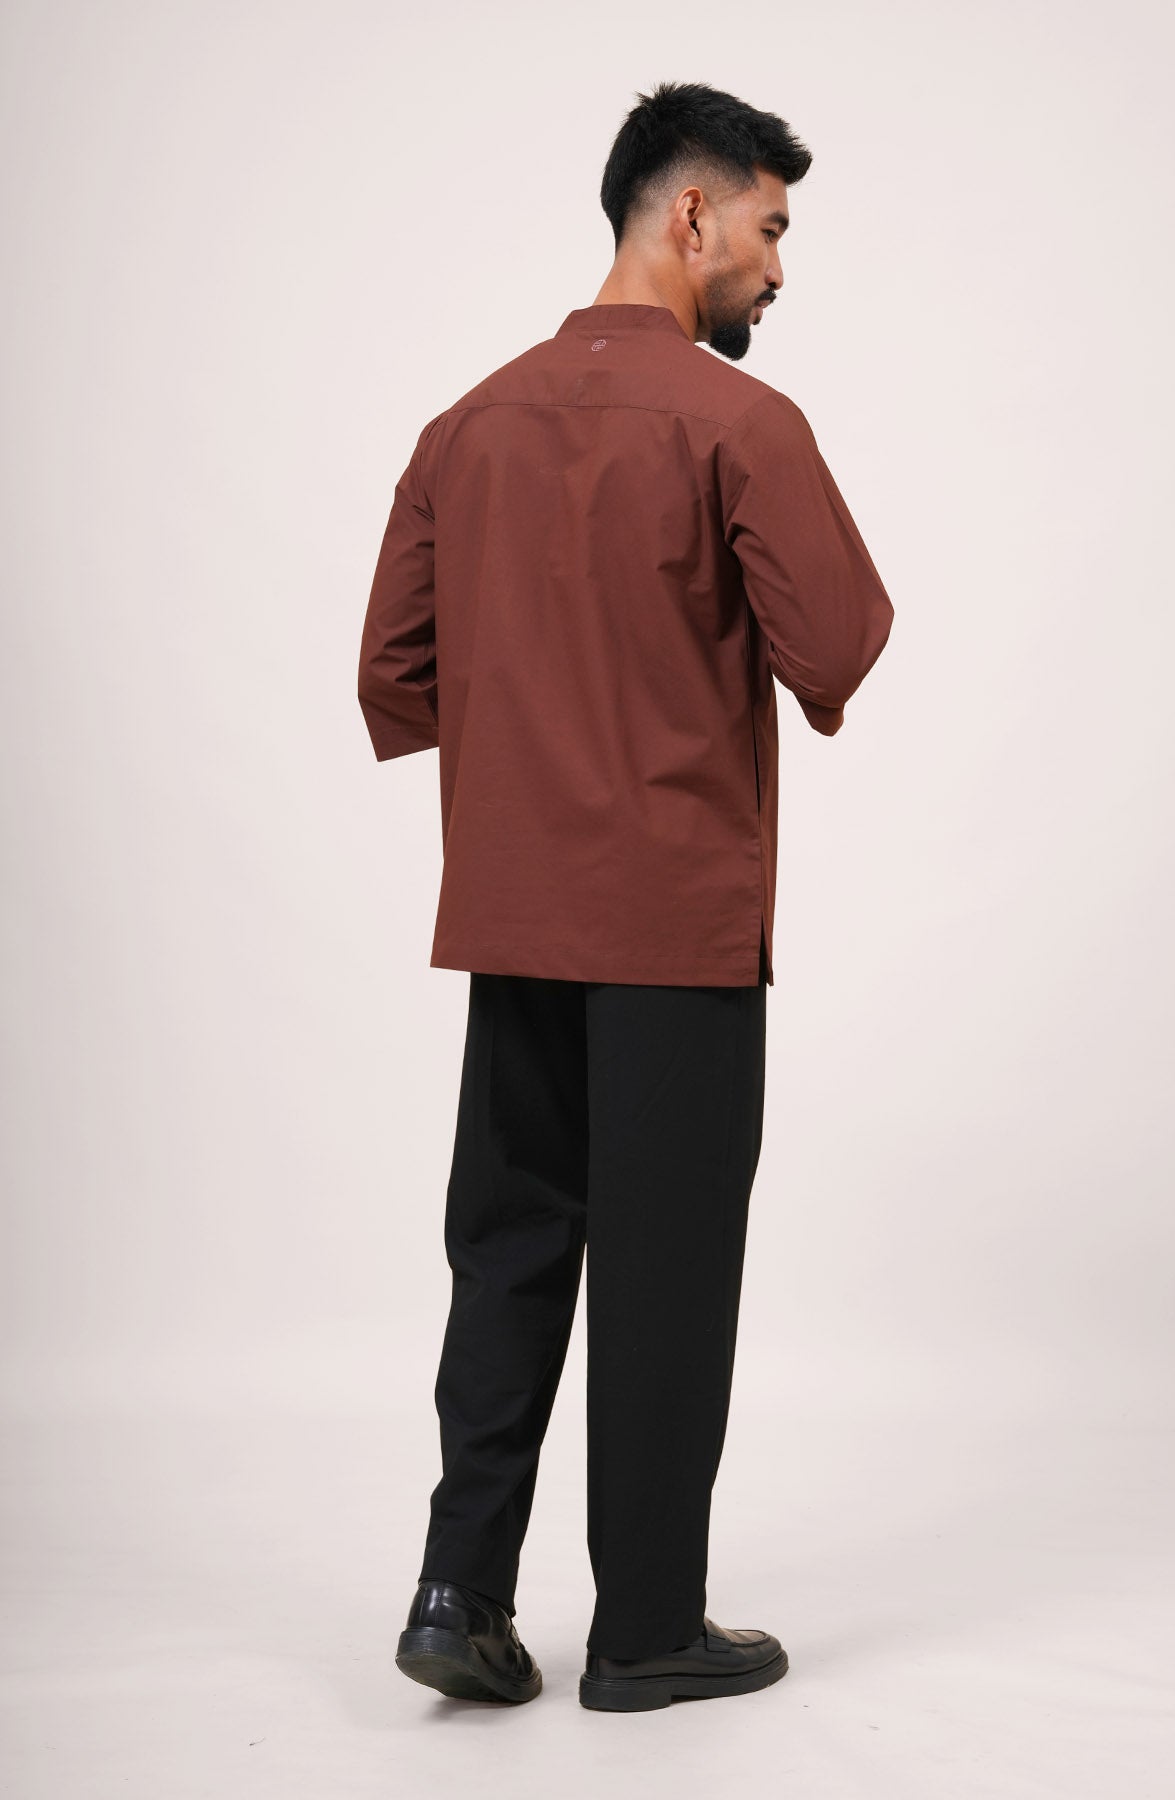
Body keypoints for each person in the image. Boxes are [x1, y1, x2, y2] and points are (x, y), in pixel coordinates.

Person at [357, 79, 894, 1714]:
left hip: (513, 916)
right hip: (673, 924)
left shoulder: (466, 428)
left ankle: (459, 1593)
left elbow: (393, 676)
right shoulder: (739, 425)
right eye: (772, 230)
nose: (780, 268)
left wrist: (534, 724)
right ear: (691, 212)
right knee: (666, 1267)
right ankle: (648, 1628)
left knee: (508, 1247)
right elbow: (838, 646)